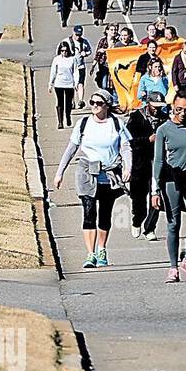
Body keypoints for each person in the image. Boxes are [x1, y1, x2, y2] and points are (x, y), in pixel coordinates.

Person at [54, 93, 132, 269]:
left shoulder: (116, 123)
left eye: (99, 103)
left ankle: (101, 249)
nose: (95, 106)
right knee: (89, 212)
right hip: (87, 171)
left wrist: (128, 168)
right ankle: (90, 254)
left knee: (105, 213)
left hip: (109, 173)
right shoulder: (83, 123)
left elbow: (126, 147)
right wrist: (60, 173)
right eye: (92, 102)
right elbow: (71, 148)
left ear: (107, 105)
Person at [152, 91, 186, 283]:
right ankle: (172, 267)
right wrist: (155, 189)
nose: (182, 113)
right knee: (173, 224)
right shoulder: (164, 130)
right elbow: (158, 161)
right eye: (179, 109)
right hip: (171, 180)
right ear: (172, 106)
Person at [127, 92, 165, 241]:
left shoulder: (164, 119)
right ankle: (137, 220)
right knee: (138, 199)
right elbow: (129, 140)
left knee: (156, 195)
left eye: (159, 107)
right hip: (139, 163)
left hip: (157, 162)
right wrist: (147, 140)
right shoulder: (136, 118)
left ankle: (150, 228)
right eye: (154, 106)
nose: (156, 109)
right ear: (148, 103)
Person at [48, 40, 77, 128]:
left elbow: (75, 71)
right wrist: (50, 84)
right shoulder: (56, 59)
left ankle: (68, 116)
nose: (64, 52)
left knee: (68, 103)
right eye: (62, 51)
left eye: (65, 50)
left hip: (69, 84)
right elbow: (53, 72)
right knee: (60, 102)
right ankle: (60, 122)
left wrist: (76, 83)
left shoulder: (72, 59)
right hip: (59, 84)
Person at [67, 24, 91, 108]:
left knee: (80, 83)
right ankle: (72, 102)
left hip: (80, 67)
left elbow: (89, 51)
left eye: (79, 35)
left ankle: (80, 100)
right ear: (73, 32)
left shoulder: (84, 42)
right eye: (76, 35)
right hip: (70, 67)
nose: (78, 37)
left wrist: (86, 53)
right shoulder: (67, 42)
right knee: (71, 85)